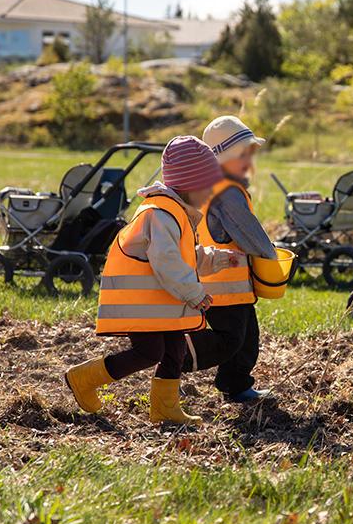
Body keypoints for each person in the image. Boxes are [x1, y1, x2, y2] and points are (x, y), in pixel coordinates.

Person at [64, 136, 242, 426]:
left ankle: (165, 408)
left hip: (157, 304)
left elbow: (183, 257)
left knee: (176, 349)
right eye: (207, 185)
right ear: (188, 183)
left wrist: (218, 259)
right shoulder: (159, 214)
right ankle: (83, 379)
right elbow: (167, 262)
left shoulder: (176, 214)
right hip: (139, 305)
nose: (210, 192)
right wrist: (193, 293)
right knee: (149, 352)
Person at [182, 115, 278, 403]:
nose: (249, 161)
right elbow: (250, 234)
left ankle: (236, 386)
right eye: (242, 155)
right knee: (230, 340)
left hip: (233, 287)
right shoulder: (227, 192)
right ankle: (170, 360)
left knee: (246, 340)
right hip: (221, 287)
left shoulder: (215, 186)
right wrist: (273, 258)